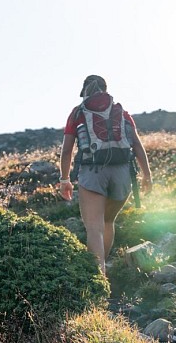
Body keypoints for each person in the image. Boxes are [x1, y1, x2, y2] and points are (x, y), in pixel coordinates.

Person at [59, 75, 152, 274]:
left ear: (84, 92)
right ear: (105, 89)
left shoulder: (78, 113)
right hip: (123, 173)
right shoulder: (121, 112)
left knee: (94, 228)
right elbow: (136, 144)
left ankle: (97, 278)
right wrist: (147, 175)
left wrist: (64, 179)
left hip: (93, 172)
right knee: (108, 221)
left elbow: (67, 150)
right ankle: (103, 268)